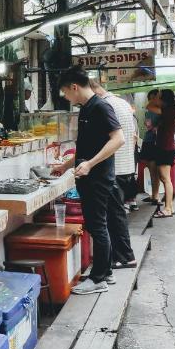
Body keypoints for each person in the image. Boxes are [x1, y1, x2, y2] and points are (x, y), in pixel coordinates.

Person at [51, 67, 126, 294]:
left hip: (98, 177)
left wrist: (91, 163)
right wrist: (66, 165)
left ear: (74, 87)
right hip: (90, 175)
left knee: (97, 226)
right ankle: (107, 272)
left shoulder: (101, 107)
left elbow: (119, 139)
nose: (65, 97)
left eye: (65, 92)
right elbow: (87, 146)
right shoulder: (86, 109)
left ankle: (98, 279)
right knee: (98, 225)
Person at [89, 80, 137, 267]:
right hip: (126, 167)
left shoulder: (104, 105)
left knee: (115, 216)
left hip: (114, 169)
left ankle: (125, 257)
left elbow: (109, 140)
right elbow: (132, 136)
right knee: (117, 215)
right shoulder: (122, 103)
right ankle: (120, 255)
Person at [154, 88, 175, 218]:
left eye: (160, 97)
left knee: (166, 179)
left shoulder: (168, 111)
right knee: (165, 179)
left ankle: (168, 208)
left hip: (165, 148)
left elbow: (150, 105)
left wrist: (157, 98)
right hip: (166, 147)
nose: (157, 99)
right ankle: (170, 207)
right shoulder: (171, 110)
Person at [140, 89, 161, 204]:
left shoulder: (153, 111)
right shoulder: (154, 110)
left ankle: (155, 196)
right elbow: (148, 125)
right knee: (153, 171)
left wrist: (152, 127)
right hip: (151, 142)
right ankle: (154, 195)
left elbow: (148, 125)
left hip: (151, 142)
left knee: (153, 171)